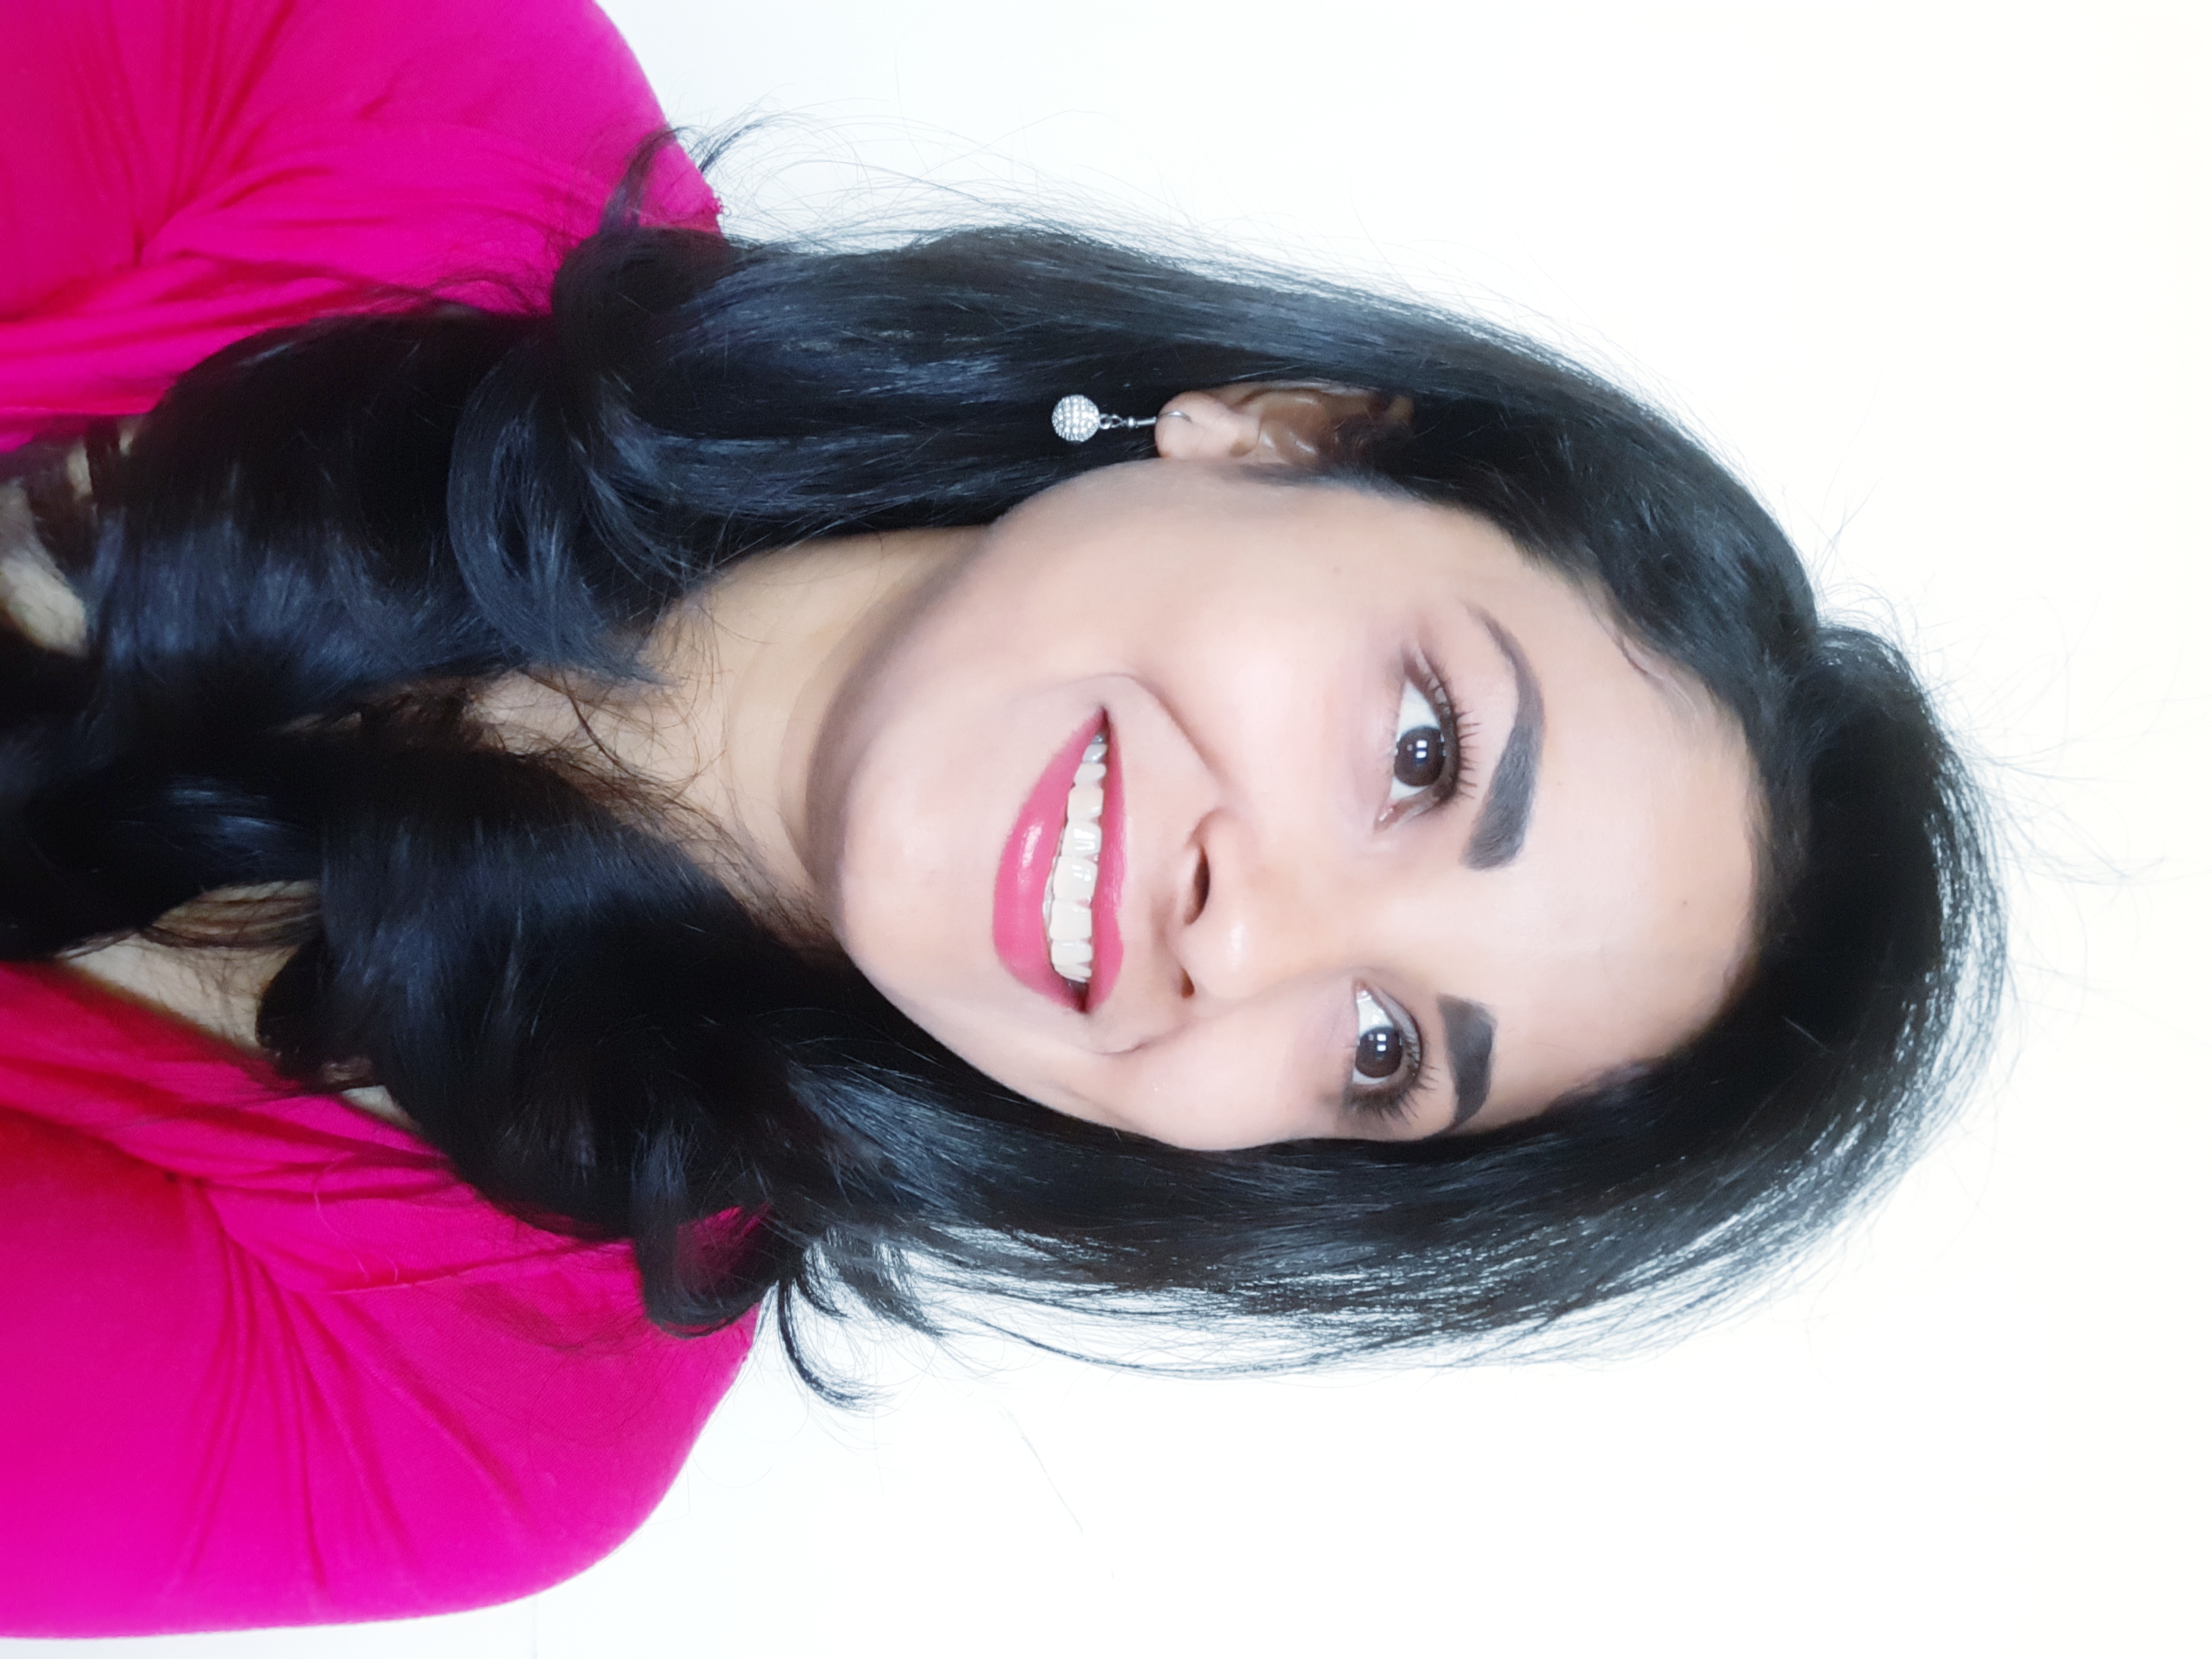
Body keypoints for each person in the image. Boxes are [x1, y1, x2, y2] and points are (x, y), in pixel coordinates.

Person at [0, 0, 2001, 1637]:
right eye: (1422, 754)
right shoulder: (393, 90)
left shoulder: (480, 1411)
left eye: (1388, 1051)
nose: (1249, 933)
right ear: (1283, 438)